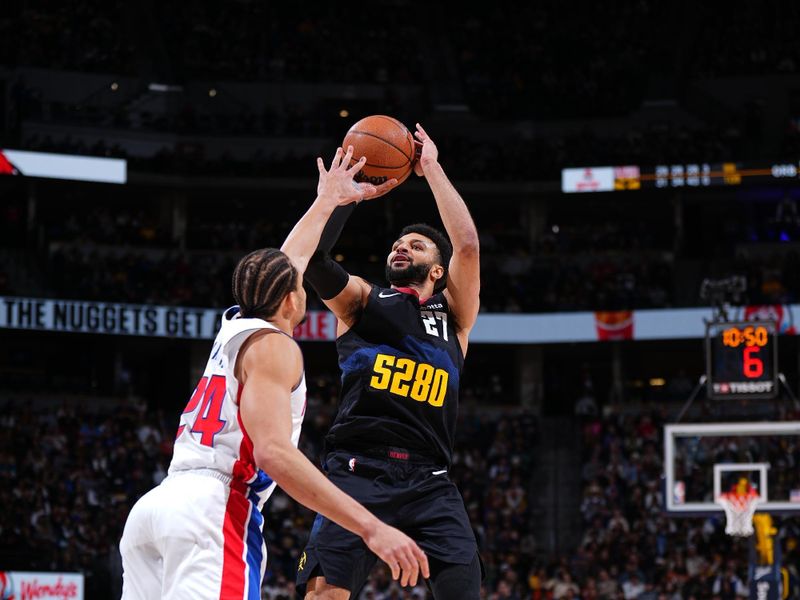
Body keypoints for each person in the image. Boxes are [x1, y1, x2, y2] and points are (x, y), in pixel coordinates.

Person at [119, 146, 429, 599]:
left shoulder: (236, 325)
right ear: (289, 300)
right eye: (298, 287)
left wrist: (330, 200)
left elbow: (288, 263)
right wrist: (370, 527)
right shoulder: (275, 348)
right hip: (214, 511)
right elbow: (272, 454)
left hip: (158, 506)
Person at [295, 123, 482, 599]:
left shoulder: (455, 317)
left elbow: (468, 246)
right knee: (323, 595)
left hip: (430, 481)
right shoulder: (363, 300)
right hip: (357, 472)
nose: (402, 247)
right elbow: (312, 259)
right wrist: (342, 199)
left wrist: (432, 171)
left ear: (437, 271)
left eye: (416, 245)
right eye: (399, 244)